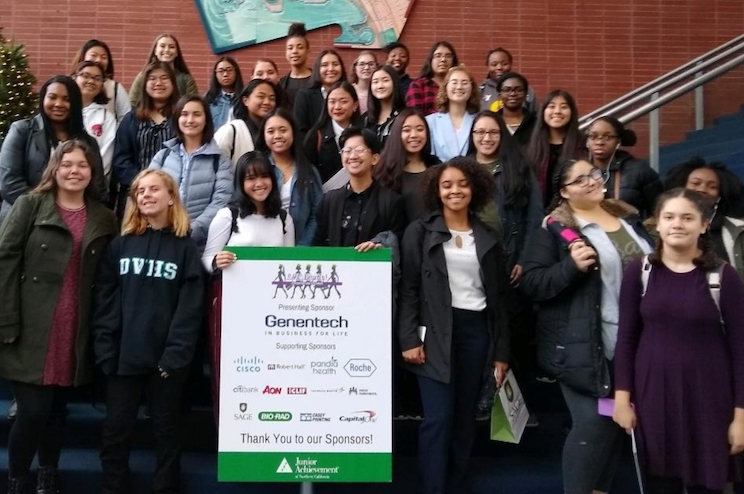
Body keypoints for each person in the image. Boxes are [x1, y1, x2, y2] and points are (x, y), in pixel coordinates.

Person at [519, 158, 654, 494]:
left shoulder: (629, 219)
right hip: (585, 346)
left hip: (638, 342)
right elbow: (532, 284)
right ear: (564, 192)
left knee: (611, 425)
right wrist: (571, 267)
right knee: (592, 425)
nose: (592, 181)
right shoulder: (555, 229)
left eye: (594, 174)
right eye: (580, 180)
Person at [0, 140, 118, 494]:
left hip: (75, 325)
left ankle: (49, 472)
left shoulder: (103, 216)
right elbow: (5, 261)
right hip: (31, 323)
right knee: (33, 410)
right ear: (54, 168)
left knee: (56, 410)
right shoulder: (31, 205)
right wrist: (6, 319)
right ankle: (18, 476)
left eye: (82, 165)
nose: (74, 171)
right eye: (67, 164)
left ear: (92, 172)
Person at [614, 187, 744, 494]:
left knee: (707, 485)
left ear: (703, 224)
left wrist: (740, 417)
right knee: (660, 483)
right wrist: (622, 399)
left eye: (687, 218)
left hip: (711, 399)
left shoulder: (723, 277)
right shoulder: (639, 271)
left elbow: (741, 350)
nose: (677, 224)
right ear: (656, 223)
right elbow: (627, 338)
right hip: (654, 396)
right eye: (669, 217)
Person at [397, 157, 510, 494]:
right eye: (447, 185)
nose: (455, 190)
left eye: (462, 183)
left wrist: (501, 353)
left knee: (463, 420)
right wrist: (407, 339)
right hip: (433, 333)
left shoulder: (488, 235)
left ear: (474, 188)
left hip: (476, 332)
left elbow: (500, 299)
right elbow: (410, 289)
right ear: (437, 190)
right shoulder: (420, 230)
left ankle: (454, 484)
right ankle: (433, 487)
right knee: (438, 418)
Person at [93, 169, 204, 494]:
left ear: (171, 197)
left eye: (154, 189)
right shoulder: (119, 246)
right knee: (115, 433)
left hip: (165, 364)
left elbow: (189, 310)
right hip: (122, 359)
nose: (145, 195)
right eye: (140, 191)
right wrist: (106, 350)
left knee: (167, 435)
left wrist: (173, 358)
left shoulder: (185, 250)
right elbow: (105, 302)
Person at [0, 75, 107, 225]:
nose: (58, 104)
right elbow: (9, 182)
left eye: (66, 99)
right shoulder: (22, 131)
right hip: (23, 219)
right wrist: (47, 212)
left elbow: (98, 188)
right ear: (43, 99)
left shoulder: (88, 142)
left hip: (74, 222)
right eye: (52, 97)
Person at [148, 95, 233, 252]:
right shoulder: (163, 156)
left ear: (206, 119)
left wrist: (191, 230)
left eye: (197, 114)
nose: (190, 120)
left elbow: (221, 201)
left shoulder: (219, 160)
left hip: (197, 246)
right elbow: (146, 192)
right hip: (160, 239)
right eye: (184, 114)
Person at [468, 110, 541, 272]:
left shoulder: (519, 167)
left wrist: (524, 260)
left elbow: (534, 217)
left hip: (510, 256)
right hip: (470, 256)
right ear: (472, 135)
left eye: (493, 132)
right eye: (480, 132)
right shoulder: (462, 169)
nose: (487, 138)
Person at [313, 127, 405, 247]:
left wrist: (382, 244)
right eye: (347, 151)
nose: (353, 156)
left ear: (375, 158)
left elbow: (398, 241)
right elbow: (318, 243)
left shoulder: (391, 202)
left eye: (360, 150)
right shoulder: (329, 200)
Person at [113, 62, 179, 218]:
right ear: (144, 84)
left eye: (164, 78)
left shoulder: (181, 117)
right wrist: (143, 185)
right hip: (136, 194)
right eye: (152, 78)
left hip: (172, 195)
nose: (158, 83)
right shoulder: (131, 119)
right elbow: (121, 158)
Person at [664, 157, 744, 279]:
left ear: (720, 195)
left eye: (712, 187)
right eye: (695, 183)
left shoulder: (738, 231)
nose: (702, 189)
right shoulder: (659, 227)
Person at [255, 108, 323, 245]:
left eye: (283, 130)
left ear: (293, 133)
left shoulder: (309, 171)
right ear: (263, 135)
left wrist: (301, 248)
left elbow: (317, 213)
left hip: (300, 249)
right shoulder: (256, 170)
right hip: (262, 249)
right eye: (271, 131)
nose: (277, 135)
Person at [586, 116, 662, 218]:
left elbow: (659, 212)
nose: (599, 142)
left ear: (618, 141)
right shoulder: (579, 172)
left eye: (608, 137)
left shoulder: (640, 171)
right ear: (587, 141)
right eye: (593, 136)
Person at [374, 108, 441, 223]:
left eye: (420, 129)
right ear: (397, 134)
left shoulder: (436, 167)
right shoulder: (385, 172)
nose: (414, 135)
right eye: (406, 130)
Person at [528, 89, 585, 208]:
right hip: (539, 216)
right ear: (543, 111)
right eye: (551, 106)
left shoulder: (583, 146)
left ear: (572, 112)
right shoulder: (531, 147)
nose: (557, 111)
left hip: (573, 214)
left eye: (563, 107)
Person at [302, 81, 362, 187]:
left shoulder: (364, 134)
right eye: (332, 102)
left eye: (343, 101)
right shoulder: (315, 136)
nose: (337, 107)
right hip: (326, 199)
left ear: (355, 105)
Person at [213, 79, 279, 167]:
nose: (267, 102)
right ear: (245, 100)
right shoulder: (231, 130)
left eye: (272, 98)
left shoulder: (275, 133)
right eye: (261, 96)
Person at [72, 61, 117, 186]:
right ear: (74, 78)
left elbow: (106, 155)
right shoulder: (62, 111)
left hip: (91, 185)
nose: (91, 81)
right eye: (85, 76)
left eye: (97, 78)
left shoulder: (106, 118)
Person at [425, 65, 480, 162]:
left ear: (472, 88)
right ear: (446, 88)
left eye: (465, 83)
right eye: (454, 82)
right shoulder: (430, 122)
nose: (459, 87)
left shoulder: (479, 121)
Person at [70, 39, 131, 123]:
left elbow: (126, 118)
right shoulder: (67, 85)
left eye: (104, 57)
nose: (98, 60)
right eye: (93, 55)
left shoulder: (115, 88)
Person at [128, 34, 197, 106]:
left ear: (177, 53)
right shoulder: (143, 76)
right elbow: (132, 103)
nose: (166, 50)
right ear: (155, 51)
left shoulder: (186, 80)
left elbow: (194, 106)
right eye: (162, 46)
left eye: (171, 47)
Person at [294, 49, 347, 134]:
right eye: (325, 65)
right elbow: (300, 130)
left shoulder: (350, 94)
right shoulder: (304, 96)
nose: (330, 69)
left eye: (335, 64)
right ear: (317, 69)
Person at [406, 41, 459, 116]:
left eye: (448, 56)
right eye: (438, 56)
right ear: (430, 60)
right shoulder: (419, 85)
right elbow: (415, 117)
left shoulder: (459, 86)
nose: (443, 59)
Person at [479, 47, 537, 113]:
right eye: (494, 64)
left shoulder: (524, 89)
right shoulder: (480, 91)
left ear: (511, 65)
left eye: (504, 64)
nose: (499, 67)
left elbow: (536, 115)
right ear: (488, 67)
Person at [363, 65, 407, 147]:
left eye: (385, 80)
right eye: (375, 82)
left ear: (395, 83)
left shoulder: (406, 116)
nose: (380, 86)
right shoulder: (365, 119)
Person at [492, 72, 537, 149]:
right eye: (507, 90)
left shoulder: (535, 123)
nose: (512, 94)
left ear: (526, 94)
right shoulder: (492, 121)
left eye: (518, 90)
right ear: (499, 95)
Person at [203, 56, 244, 130]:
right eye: (221, 71)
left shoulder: (245, 98)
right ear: (215, 74)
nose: (225, 74)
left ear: (236, 72)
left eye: (229, 70)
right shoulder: (208, 99)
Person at [278, 22, 313, 106]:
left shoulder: (317, 81)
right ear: (286, 53)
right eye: (290, 48)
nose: (294, 51)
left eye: (300, 47)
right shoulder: (281, 84)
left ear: (308, 52)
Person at [350, 51, 378, 115]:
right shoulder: (348, 90)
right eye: (362, 64)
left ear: (376, 67)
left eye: (371, 64)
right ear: (355, 68)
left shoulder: (380, 91)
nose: (366, 68)